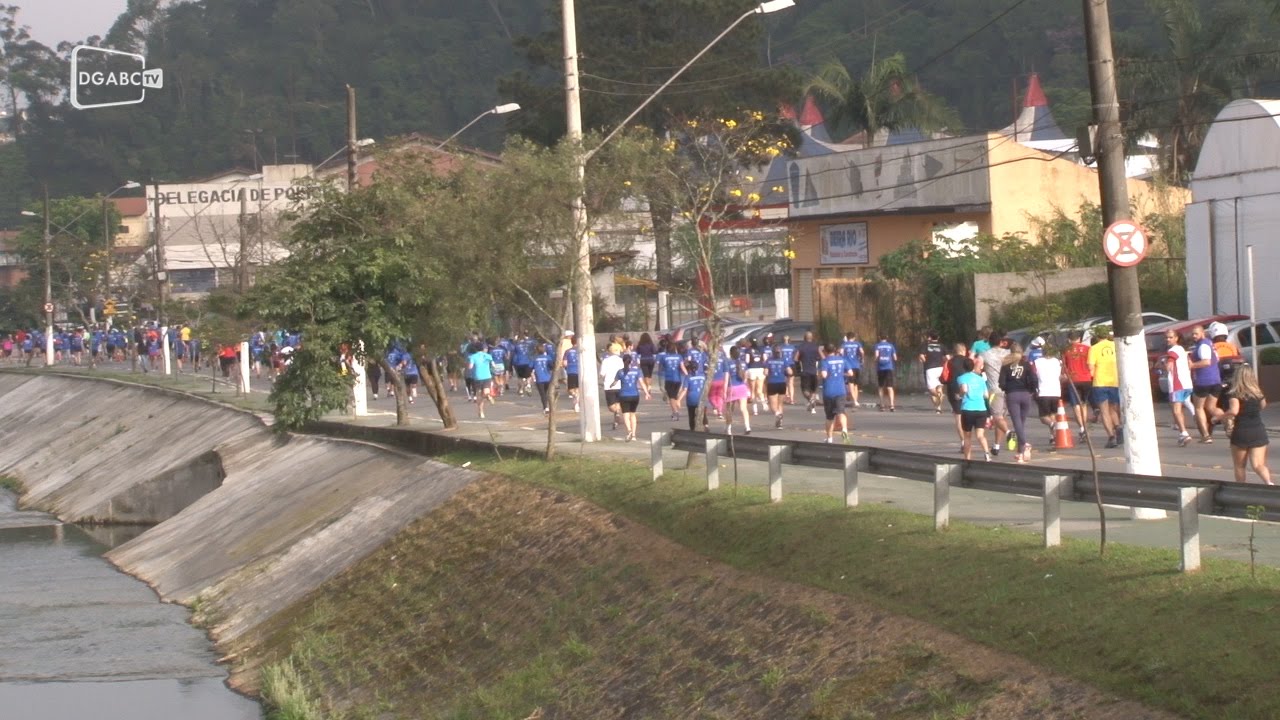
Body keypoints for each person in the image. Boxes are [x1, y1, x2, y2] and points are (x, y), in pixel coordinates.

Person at [1223, 365, 1273, 484]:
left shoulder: (1234, 394)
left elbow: (1234, 411)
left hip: (1241, 431)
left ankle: (1241, 488)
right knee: (1258, 464)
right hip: (1258, 430)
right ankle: (1269, 483)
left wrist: (1219, 416)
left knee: (1240, 466)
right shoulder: (1257, 393)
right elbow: (1263, 406)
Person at [999, 342, 1038, 464]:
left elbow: (1002, 383)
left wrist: (1006, 389)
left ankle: (1024, 444)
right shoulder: (1026, 364)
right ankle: (1020, 453)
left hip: (1012, 395)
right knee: (1021, 423)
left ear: (1011, 352)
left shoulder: (1006, 366)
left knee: (1017, 423)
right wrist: (1032, 390)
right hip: (1026, 394)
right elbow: (1034, 379)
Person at [1187, 324, 1224, 444]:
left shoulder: (1203, 345)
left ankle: (1206, 435)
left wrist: (1192, 365)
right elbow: (1216, 359)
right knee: (1211, 407)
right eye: (1192, 334)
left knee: (1199, 408)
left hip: (1203, 381)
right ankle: (1229, 422)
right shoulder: (1209, 343)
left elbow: (1206, 362)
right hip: (1215, 380)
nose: (1194, 336)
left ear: (1202, 333)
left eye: (1196, 333)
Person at [979, 332, 1011, 456]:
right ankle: (996, 445)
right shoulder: (1008, 354)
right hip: (1007, 389)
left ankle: (1009, 433)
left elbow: (977, 366)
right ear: (1001, 342)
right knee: (1001, 418)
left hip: (994, 389)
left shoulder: (985, 355)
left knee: (997, 417)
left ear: (989, 342)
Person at [956, 357, 993, 461]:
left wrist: (959, 395)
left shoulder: (961, 378)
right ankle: (986, 453)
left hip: (968, 409)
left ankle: (967, 458)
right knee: (980, 435)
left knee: (967, 436)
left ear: (963, 367)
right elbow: (986, 395)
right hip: (981, 409)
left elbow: (964, 389)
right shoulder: (980, 379)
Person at [1163, 329, 1194, 447]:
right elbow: (1189, 364)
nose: (1168, 340)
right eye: (1166, 337)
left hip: (1178, 385)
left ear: (1176, 338)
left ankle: (1184, 432)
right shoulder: (1182, 349)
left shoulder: (1172, 351)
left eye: (1170, 337)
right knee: (1180, 407)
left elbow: (1170, 364)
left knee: (1176, 410)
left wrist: (1165, 365)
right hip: (1187, 384)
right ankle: (1181, 432)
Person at [1031, 341, 1065, 450]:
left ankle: (1053, 426)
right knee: (1052, 414)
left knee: (1043, 417)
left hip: (1043, 391)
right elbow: (1061, 375)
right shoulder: (1057, 362)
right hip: (1056, 391)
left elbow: (1034, 375)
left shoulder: (1037, 362)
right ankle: (1053, 436)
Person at [819, 342, 852, 443]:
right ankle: (844, 430)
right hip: (841, 390)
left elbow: (824, 375)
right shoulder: (843, 360)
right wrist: (842, 373)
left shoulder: (824, 361)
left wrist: (821, 375)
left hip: (829, 391)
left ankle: (829, 438)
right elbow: (851, 373)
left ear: (825, 351)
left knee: (829, 417)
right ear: (835, 350)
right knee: (841, 412)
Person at [1062, 329, 1093, 436]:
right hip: (1086, 379)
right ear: (1079, 339)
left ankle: (1082, 428)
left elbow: (1064, 367)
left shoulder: (1066, 350)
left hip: (1073, 380)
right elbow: (1091, 364)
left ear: (1069, 339)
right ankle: (1084, 426)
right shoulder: (1088, 349)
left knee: (1076, 405)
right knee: (1083, 404)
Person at [945, 342, 970, 449]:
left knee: (958, 416)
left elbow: (944, 378)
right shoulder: (969, 361)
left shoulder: (949, 362)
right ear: (964, 351)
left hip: (953, 389)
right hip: (969, 389)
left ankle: (964, 442)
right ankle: (969, 438)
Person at [918, 330, 948, 414]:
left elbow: (921, 356)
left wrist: (925, 361)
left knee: (931, 390)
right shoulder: (942, 346)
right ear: (938, 337)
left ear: (930, 337)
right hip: (940, 368)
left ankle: (938, 407)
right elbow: (947, 357)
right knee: (939, 387)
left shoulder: (926, 346)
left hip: (930, 369)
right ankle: (938, 407)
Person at [615, 353, 643, 441]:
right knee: (633, 415)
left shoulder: (620, 372)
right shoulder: (637, 371)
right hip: (635, 395)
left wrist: (611, 385)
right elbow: (641, 383)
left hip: (624, 395)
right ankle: (634, 435)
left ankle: (629, 431)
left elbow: (615, 381)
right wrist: (646, 392)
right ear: (631, 361)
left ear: (623, 361)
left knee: (626, 416)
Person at [725, 345, 752, 434]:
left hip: (732, 387)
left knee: (729, 409)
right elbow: (746, 377)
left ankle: (728, 428)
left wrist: (724, 391)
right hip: (742, 387)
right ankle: (747, 426)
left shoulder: (728, 363)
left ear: (730, 354)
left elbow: (726, 378)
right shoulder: (743, 363)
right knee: (743, 408)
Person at [600, 342, 625, 431]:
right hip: (620, 385)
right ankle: (617, 415)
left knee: (611, 406)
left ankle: (616, 416)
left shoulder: (605, 361)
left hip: (609, 385)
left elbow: (602, 374)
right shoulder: (621, 360)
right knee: (618, 403)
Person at [765, 344, 791, 429]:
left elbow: (765, 372)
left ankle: (777, 414)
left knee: (773, 405)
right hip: (781, 383)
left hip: (772, 383)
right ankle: (780, 423)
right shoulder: (784, 360)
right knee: (780, 404)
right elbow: (790, 371)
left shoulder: (768, 360)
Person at [796, 331, 822, 414]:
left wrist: (798, 365)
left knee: (805, 390)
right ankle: (813, 407)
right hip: (814, 371)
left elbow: (795, 358)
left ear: (804, 338)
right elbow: (823, 357)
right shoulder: (816, 347)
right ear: (812, 338)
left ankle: (810, 400)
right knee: (813, 390)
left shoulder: (801, 347)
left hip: (805, 371)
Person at [678, 360, 708, 431]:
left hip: (691, 399)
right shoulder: (703, 376)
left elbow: (685, 390)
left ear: (689, 368)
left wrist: (679, 400)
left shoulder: (688, 377)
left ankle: (692, 429)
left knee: (691, 415)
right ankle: (706, 425)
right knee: (703, 414)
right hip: (702, 398)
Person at [468, 342, 494, 419]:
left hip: (477, 377)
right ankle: (488, 396)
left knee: (479, 395)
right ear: (483, 348)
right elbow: (493, 364)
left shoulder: (472, 356)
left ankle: (481, 411)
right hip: (487, 376)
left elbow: (470, 367)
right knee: (485, 392)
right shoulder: (488, 356)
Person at [873, 333, 898, 411]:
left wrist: (876, 361)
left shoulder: (877, 346)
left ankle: (882, 405)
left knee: (881, 387)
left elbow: (876, 356)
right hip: (889, 368)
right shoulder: (891, 346)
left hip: (880, 368)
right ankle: (892, 405)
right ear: (887, 337)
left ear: (879, 337)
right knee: (890, 387)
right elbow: (895, 358)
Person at [660, 340, 684, 421]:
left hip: (669, 379)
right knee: (674, 395)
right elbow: (682, 367)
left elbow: (661, 368)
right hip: (678, 379)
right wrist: (687, 375)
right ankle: (676, 407)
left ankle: (675, 412)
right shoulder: (679, 357)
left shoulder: (664, 357)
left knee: (671, 397)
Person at [841, 331, 864, 408]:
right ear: (854, 337)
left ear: (847, 337)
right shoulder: (857, 344)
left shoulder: (844, 344)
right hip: (856, 365)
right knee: (855, 384)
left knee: (850, 383)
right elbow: (862, 352)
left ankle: (854, 401)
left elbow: (841, 352)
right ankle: (855, 400)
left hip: (848, 366)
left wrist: (843, 357)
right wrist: (861, 358)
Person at [531, 341, 554, 414]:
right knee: (547, 393)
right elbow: (551, 366)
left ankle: (545, 407)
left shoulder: (534, 358)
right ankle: (550, 406)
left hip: (539, 379)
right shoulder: (548, 357)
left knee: (542, 394)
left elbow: (530, 367)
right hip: (548, 378)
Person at [561, 332, 581, 412]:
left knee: (571, 390)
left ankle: (576, 404)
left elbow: (564, 363)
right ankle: (576, 403)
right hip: (579, 372)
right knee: (578, 389)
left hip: (571, 372)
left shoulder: (568, 351)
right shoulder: (580, 351)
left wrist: (566, 368)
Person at [635, 333, 657, 399]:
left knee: (645, 375)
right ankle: (649, 386)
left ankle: (648, 386)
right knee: (650, 375)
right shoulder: (651, 344)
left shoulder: (640, 345)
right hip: (651, 360)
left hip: (643, 360)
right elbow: (654, 351)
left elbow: (637, 352)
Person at [779, 335, 798, 405]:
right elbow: (794, 356)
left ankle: (786, 396)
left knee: (784, 382)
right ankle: (791, 399)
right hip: (791, 364)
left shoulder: (780, 347)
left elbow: (780, 356)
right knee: (791, 383)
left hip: (783, 364)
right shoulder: (792, 347)